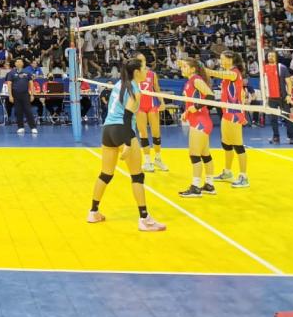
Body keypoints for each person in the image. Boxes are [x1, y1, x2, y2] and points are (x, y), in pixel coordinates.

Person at [87, 57, 166, 231]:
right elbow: (127, 117)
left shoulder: (118, 84)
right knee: (137, 176)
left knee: (105, 174)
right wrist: (128, 143)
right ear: (136, 72)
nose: (147, 72)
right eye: (144, 69)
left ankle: (93, 212)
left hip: (107, 130)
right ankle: (144, 219)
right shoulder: (135, 90)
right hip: (122, 131)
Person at [205, 50, 249, 188]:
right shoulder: (229, 74)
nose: (221, 61)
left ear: (230, 60)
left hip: (235, 114)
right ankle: (228, 172)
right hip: (226, 113)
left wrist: (202, 69)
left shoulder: (234, 73)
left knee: (238, 146)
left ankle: (243, 177)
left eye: (223, 59)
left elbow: (217, 73)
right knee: (226, 144)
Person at [177, 58, 217, 198]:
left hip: (201, 121)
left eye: (185, 66)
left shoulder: (196, 79)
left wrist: (196, 107)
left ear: (193, 69)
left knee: (194, 154)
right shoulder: (190, 81)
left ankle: (195, 187)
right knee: (205, 154)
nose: (182, 68)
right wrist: (186, 112)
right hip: (198, 120)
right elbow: (192, 103)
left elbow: (211, 97)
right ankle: (209, 185)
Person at [136, 53, 167, 173]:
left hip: (152, 106)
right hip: (139, 107)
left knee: (156, 132)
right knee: (143, 133)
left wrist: (162, 102)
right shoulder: (133, 75)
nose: (140, 62)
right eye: (138, 60)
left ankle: (158, 159)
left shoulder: (152, 74)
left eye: (142, 60)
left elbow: (157, 89)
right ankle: (147, 161)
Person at [264, 52, 293, 145]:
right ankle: (276, 137)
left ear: (276, 57)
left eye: (272, 55)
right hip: (271, 98)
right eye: (269, 55)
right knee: (273, 119)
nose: (271, 57)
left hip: (283, 97)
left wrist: (289, 95)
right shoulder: (264, 68)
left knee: (287, 118)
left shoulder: (282, 67)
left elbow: (289, 82)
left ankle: (291, 137)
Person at [6, 57, 38, 135]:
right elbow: (9, 84)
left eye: (21, 62)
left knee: (28, 111)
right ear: (15, 63)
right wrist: (10, 96)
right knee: (18, 111)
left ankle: (33, 127)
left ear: (23, 64)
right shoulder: (11, 73)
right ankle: (21, 127)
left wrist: (32, 94)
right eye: (17, 62)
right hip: (15, 95)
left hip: (25, 94)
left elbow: (31, 83)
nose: (19, 63)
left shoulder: (27, 72)